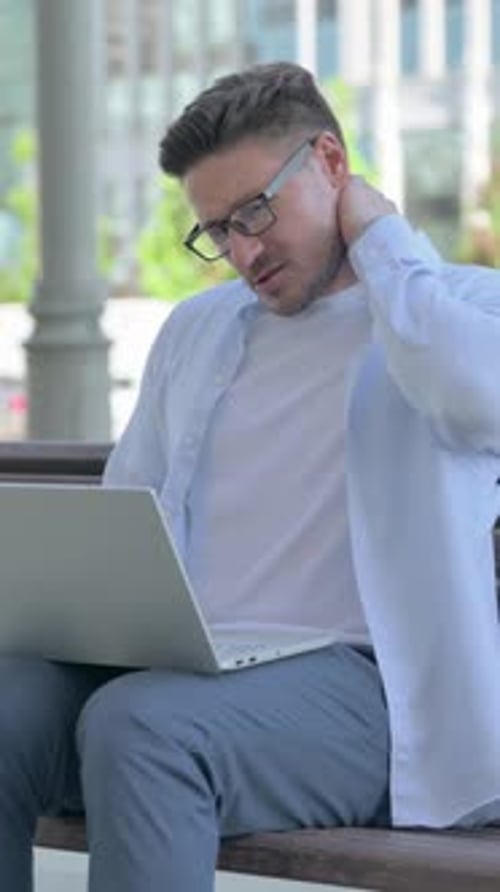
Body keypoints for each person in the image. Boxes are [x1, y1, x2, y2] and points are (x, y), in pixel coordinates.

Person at [1, 61, 500, 892]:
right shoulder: (198, 330)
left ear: (331, 162)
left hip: (370, 692)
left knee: (145, 729)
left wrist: (382, 241)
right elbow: (130, 513)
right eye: (216, 230)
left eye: (256, 211)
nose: (242, 251)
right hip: (193, 667)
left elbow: (474, 394)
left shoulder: (455, 307)